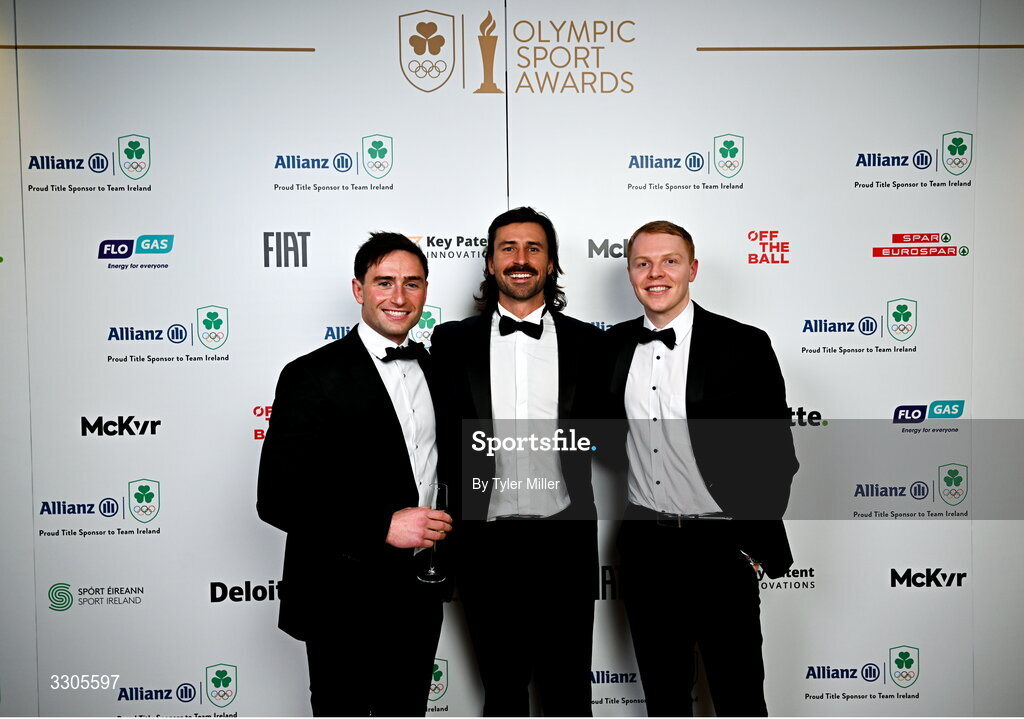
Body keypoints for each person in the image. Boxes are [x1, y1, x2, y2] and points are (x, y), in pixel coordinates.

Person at [607, 220, 798, 717]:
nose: (656, 273)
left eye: (669, 261)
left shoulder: (744, 345)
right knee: (665, 699)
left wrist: (747, 542)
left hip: (721, 546)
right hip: (647, 544)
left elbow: (778, 455)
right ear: (630, 273)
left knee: (739, 697)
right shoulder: (612, 347)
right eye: (643, 263)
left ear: (691, 269)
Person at [256, 233, 453, 717]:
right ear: (358, 289)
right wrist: (382, 526)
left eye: (412, 283)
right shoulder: (309, 375)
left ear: (426, 291)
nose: (399, 297)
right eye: (384, 282)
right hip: (341, 593)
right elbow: (277, 498)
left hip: (420, 590)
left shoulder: (437, 370)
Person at [430, 207, 603, 717]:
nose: (520, 259)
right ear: (489, 263)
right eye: (508, 248)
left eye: (534, 249)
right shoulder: (451, 342)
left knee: (570, 693)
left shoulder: (589, 344)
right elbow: (429, 434)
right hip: (486, 542)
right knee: (502, 693)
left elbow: (616, 433)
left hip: (565, 539)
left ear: (552, 264)